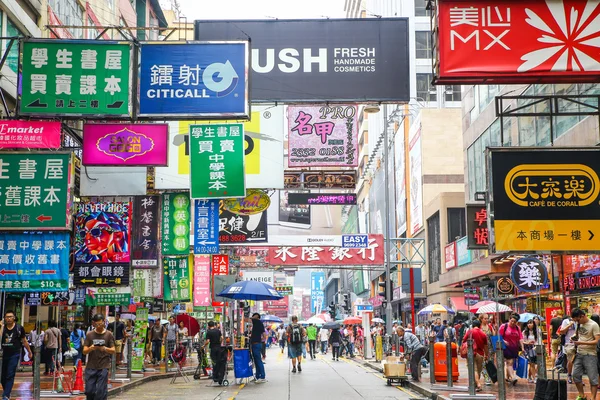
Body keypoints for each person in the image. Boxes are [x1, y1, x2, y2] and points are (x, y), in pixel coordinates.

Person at [83, 313, 115, 400]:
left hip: (103, 366)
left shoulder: (109, 334)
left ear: (104, 322)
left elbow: (113, 350)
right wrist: (91, 348)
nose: (99, 326)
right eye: (97, 324)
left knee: (101, 390)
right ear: (94, 323)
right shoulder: (89, 335)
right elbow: (84, 351)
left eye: (101, 324)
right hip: (91, 366)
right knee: (89, 391)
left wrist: (104, 348)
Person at [1, 311, 32, 400]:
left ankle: (6, 395)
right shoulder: (3, 328)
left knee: (10, 374)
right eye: (7, 317)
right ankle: (7, 391)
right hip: (4, 354)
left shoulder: (19, 328)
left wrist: (29, 351)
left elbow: (24, 341)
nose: (9, 318)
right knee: (2, 377)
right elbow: (0, 338)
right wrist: (1, 327)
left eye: (10, 316)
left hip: (14, 354)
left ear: (14, 317)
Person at [571, 308, 600, 400]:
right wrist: (575, 338)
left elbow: (596, 341)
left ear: (582, 316)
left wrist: (581, 343)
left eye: (578, 320)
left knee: (593, 378)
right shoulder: (579, 324)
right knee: (575, 375)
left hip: (590, 354)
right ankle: (582, 395)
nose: (577, 322)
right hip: (579, 353)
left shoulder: (594, 325)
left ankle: (593, 398)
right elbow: (580, 336)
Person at [499, 313, 524, 386]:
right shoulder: (504, 326)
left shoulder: (517, 328)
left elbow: (520, 338)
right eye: (511, 321)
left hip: (514, 348)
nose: (512, 323)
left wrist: (522, 347)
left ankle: (508, 377)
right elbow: (498, 336)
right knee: (509, 362)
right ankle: (513, 377)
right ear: (509, 319)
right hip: (505, 347)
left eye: (514, 322)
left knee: (510, 362)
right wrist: (504, 341)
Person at [465, 319, 489, 392]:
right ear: (480, 325)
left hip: (471, 353)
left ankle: (478, 384)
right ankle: (474, 385)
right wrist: (486, 355)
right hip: (481, 354)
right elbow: (486, 346)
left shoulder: (470, 332)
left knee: (473, 370)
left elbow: (464, 340)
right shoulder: (483, 334)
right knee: (478, 371)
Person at [559, 312, 578, 382]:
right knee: (570, 360)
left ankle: (578, 377)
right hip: (568, 343)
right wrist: (570, 325)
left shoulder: (580, 322)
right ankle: (569, 375)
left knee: (578, 361)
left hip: (578, 343)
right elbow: (561, 331)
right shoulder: (566, 321)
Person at [249, 313, 267, 383]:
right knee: (256, 361)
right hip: (255, 344)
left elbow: (264, 335)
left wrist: (262, 340)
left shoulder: (258, 322)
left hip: (257, 344)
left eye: (254, 317)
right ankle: (257, 376)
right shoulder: (257, 324)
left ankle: (262, 376)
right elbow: (264, 334)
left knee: (258, 361)